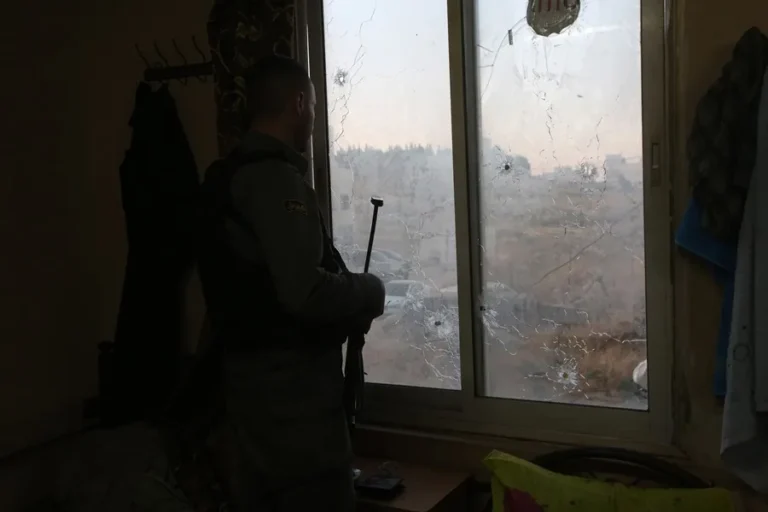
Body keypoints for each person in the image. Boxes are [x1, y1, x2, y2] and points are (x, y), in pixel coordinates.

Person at [197, 55, 386, 511]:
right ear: (299, 103)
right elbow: (305, 292)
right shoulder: (273, 181)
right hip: (294, 410)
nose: (314, 120)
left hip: (248, 399)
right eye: (314, 107)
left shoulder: (228, 176)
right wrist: (369, 290)